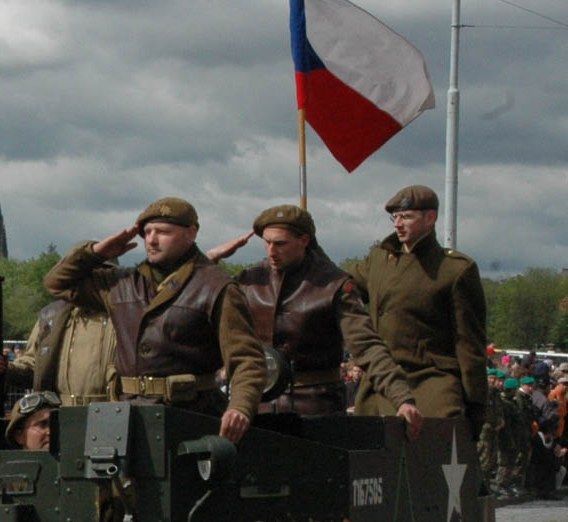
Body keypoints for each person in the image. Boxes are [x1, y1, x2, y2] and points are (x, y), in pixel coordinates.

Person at [44, 196, 265, 444]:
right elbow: (57, 283)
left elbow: (247, 358)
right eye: (147, 232)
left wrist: (240, 408)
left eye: (163, 232)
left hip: (191, 415)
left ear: (191, 233)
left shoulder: (215, 286)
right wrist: (96, 253)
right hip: (125, 416)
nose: (151, 239)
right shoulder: (122, 283)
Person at [208, 204, 422, 435]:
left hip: (317, 409)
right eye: (267, 242)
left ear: (304, 240)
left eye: (280, 243)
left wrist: (401, 398)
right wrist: (209, 260)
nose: (271, 251)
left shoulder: (334, 285)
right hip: (255, 408)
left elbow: (368, 346)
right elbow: (198, 304)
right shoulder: (248, 281)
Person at [346, 185, 487, 437]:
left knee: (434, 458)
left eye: (407, 217)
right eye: (395, 218)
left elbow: (469, 343)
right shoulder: (379, 260)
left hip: (430, 382)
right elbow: (339, 286)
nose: (398, 224)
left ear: (430, 218)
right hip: (379, 383)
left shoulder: (454, 270)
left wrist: (476, 404)